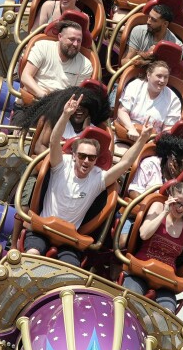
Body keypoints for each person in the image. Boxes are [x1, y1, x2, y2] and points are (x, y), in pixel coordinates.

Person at [24, 95, 153, 266]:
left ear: (96, 160)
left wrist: (142, 139)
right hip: (44, 228)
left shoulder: (98, 178)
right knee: (33, 254)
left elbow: (125, 164)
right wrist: (65, 115)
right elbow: (54, 142)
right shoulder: (62, 165)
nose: (86, 161)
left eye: (91, 158)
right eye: (82, 156)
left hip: (69, 239)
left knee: (70, 271)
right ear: (74, 155)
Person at [122, 177, 183, 311]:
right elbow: (144, 234)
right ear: (170, 198)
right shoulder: (158, 207)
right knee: (132, 303)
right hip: (141, 271)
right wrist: (165, 212)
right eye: (177, 202)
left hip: (166, 281)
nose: (180, 208)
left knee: (166, 314)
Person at [21, 20, 95, 100]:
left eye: (79, 40)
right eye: (72, 39)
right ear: (60, 37)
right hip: (33, 99)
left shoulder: (85, 65)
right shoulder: (43, 47)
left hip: (60, 105)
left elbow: (75, 96)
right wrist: (45, 97)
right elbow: (25, 77)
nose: (75, 44)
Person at [116, 60, 182, 139]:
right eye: (159, 76)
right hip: (125, 133)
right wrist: (131, 129)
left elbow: (168, 129)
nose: (162, 80)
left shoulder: (173, 99)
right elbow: (122, 111)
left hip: (151, 140)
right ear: (148, 75)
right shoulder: (135, 85)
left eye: (166, 77)